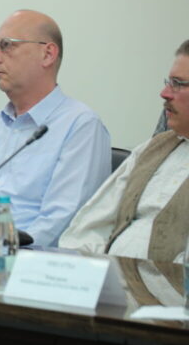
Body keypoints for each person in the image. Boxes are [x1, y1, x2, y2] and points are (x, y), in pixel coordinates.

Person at [0, 10, 111, 246]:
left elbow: (60, 222)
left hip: (19, 260)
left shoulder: (81, 126)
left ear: (47, 54)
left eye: (6, 45)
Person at [60, 40, 189, 261]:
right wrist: (76, 271)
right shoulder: (152, 149)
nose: (164, 93)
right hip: (108, 276)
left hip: (166, 282)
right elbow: (90, 227)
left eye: (177, 84)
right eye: (169, 82)